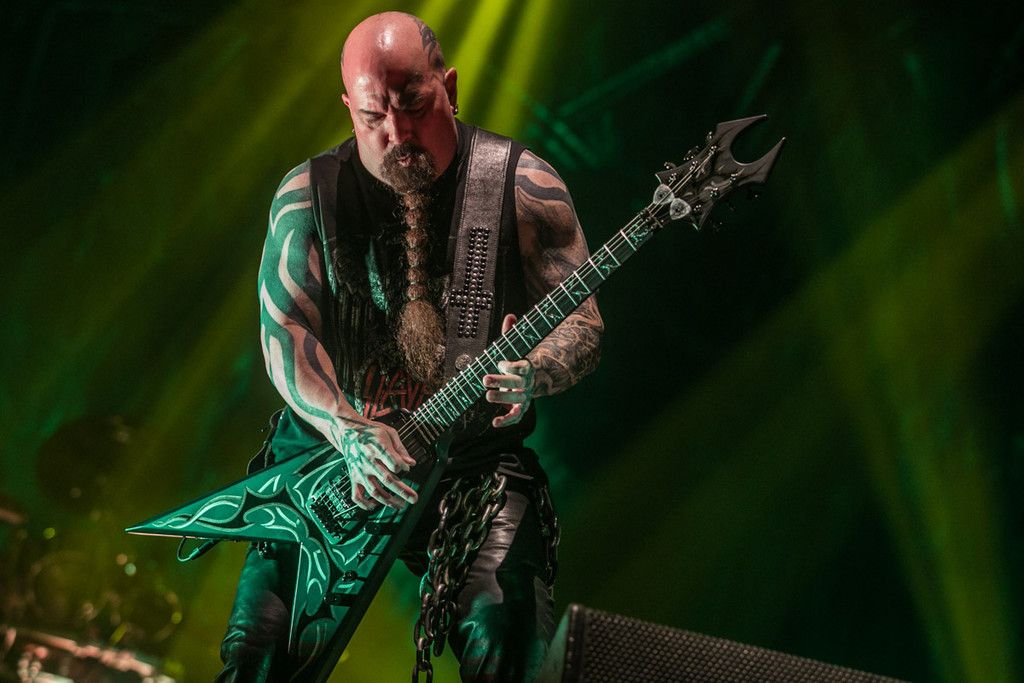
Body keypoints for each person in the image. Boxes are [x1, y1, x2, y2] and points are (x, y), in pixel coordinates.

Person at [217, 11, 603, 682]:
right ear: (348, 107)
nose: (396, 133)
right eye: (373, 116)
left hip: (471, 467)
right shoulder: (308, 195)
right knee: (259, 654)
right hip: (329, 460)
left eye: (413, 105)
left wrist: (534, 370)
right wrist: (347, 429)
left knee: (508, 633)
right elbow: (284, 331)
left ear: (448, 87)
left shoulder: (522, 185)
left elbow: (584, 323)